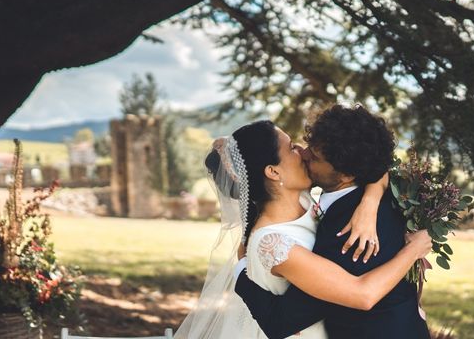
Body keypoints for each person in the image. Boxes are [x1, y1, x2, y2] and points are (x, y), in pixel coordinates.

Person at [174, 114, 431, 339]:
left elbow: (371, 166)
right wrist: (414, 249)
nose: (302, 151)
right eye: (291, 148)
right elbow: (361, 295)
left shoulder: (311, 202)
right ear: (273, 172)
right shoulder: (274, 242)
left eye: (306, 150)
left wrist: (370, 200)